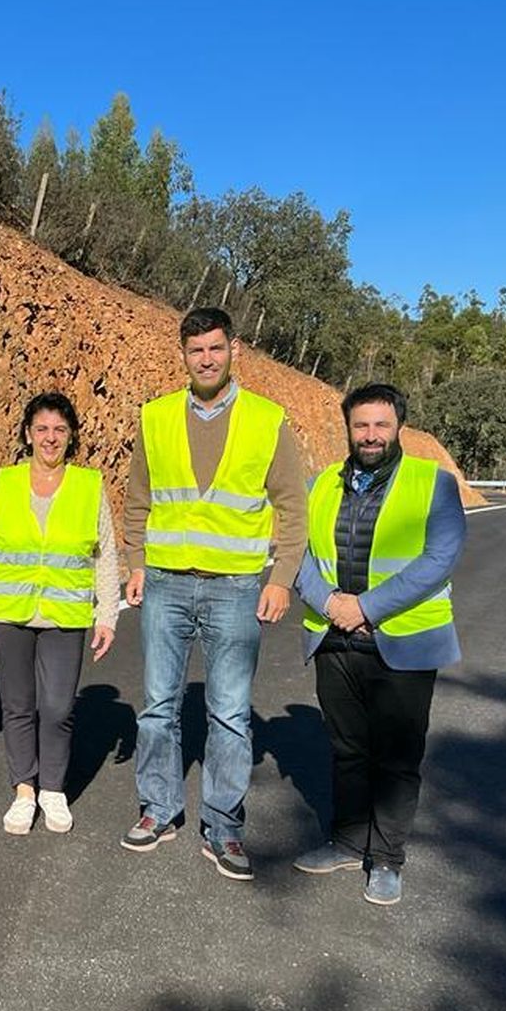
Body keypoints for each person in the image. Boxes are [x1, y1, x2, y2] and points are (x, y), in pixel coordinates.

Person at [121, 306, 307, 880]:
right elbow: (136, 500)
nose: (206, 358)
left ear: (234, 351)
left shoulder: (266, 420)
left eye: (215, 349)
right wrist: (135, 562)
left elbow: (293, 508)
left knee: (229, 715)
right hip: (167, 584)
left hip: (235, 589)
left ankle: (224, 827)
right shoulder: (155, 418)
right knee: (157, 708)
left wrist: (281, 580)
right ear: (184, 355)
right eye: (196, 350)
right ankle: (159, 809)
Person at [292, 383, 466, 906]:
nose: (370, 435)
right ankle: (348, 840)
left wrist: (364, 608)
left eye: (380, 425)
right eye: (360, 425)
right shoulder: (319, 483)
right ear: (348, 429)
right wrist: (331, 605)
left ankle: (387, 858)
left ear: (398, 428)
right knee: (347, 749)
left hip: (403, 642)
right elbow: (295, 553)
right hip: (334, 637)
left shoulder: (432, 483)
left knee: (397, 755)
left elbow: (439, 560)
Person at [0, 393, 122, 835]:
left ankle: (53, 788)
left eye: (59, 430)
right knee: (18, 705)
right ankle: (24, 789)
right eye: (42, 429)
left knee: (57, 707)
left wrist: (107, 613)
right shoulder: (5, 482)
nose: (50, 438)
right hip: (7, 613)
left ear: (71, 437)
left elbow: (105, 554)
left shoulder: (89, 486)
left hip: (64, 615)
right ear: (28, 434)